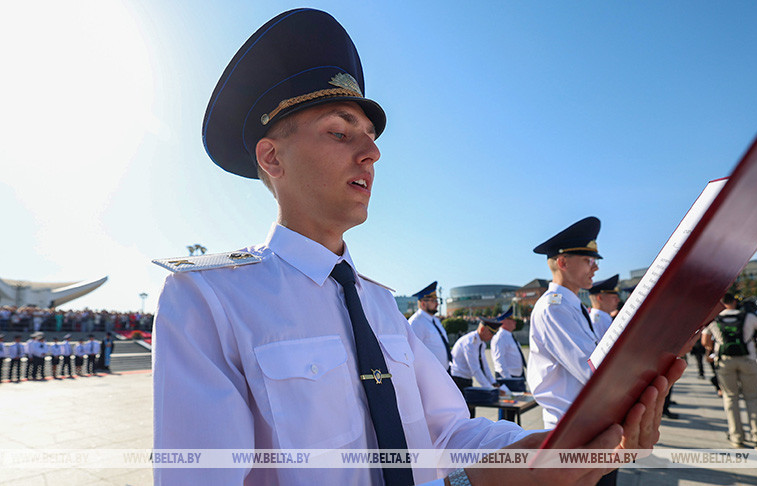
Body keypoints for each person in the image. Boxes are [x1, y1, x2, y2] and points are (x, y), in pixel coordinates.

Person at [151, 9, 683, 486]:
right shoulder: (209, 299)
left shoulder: (380, 305)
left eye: (370, 136)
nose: (371, 152)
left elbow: (445, 434)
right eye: (341, 133)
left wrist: (546, 452)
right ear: (272, 158)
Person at [527, 217, 603, 430]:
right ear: (563, 263)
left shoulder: (569, 305)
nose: (595, 268)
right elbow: (591, 368)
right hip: (570, 427)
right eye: (588, 260)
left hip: (583, 421)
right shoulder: (555, 308)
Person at [701, 293, 757, 449]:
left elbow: (705, 342)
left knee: (730, 399)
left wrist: (715, 347)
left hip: (725, 361)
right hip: (748, 359)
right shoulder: (748, 316)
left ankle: (737, 437)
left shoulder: (713, 319)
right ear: (734, 301)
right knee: (752, 398)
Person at [408, 281, 452, 371]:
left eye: (436, 300)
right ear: (423, 303)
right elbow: (412, 353)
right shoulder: (416, 322)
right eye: (433, 301)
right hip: (429, 374)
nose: (437, 304)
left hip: (444, 372)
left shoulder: (435, 320)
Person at [451, 319, 501, 391]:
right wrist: (490, 388)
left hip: (467, 379)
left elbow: (485, 366)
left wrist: (493, 382)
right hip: (457, 380)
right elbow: (475, 369)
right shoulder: (470, 342)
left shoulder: (481, 343)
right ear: (482, 329)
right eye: (491, 333)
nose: (492, 337)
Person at [491, 308, 526, 386]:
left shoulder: (509, 336)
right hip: (508, 378)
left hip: (517, 377)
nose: (515, 321)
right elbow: (499, 361)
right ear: (503, 321)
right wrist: (508, 379)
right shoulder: (500, 337)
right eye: (511, 319)